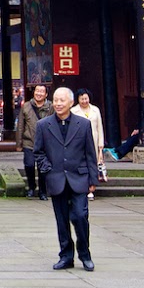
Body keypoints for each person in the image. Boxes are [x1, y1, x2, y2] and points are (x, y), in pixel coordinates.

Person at [35, 85, 97, 271]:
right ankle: (66, 256)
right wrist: (47, 169)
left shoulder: (83, 124)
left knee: (80, 216)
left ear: (71, 102)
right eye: (56, 100)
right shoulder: (43, 125)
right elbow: (38, 152)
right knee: (61, 220)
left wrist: (93, 180)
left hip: (79, 178)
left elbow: (90, 154)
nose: (58, 103)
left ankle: (85, 254)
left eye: (62, 100)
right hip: (56, 179)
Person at [16, 83, 49, 198]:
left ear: (46, 94)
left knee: (43, 169)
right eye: (37, 91)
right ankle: (31, 187)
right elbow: (20, 126)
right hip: (29, 142)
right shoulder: (26, 106)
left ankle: (43, 191)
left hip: (45, 144)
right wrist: (19, 143)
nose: (39, 93)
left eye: (41, 92)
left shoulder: (51, 108)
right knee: (29, 165)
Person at [72, 89, 106, 192]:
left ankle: (92, 187)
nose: (84, 101)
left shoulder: (95, 110)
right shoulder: (73, 111)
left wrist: (101, 145)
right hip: (79, 142)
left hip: (94, 141)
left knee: (93, 164)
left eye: (86, 98)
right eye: (81, 99)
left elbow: (99, 127)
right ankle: (83, 186)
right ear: (78, 99)